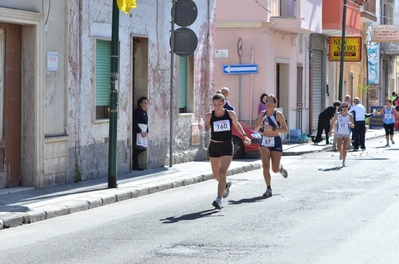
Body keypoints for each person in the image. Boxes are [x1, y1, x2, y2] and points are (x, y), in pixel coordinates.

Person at [201, 93, 250, 209]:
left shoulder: (230, 114)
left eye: (219, 104)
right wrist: (202, 127)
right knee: (217, 175)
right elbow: (207, 129)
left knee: (222, 172)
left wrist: (244, 136)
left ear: (224, 103)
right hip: (214, 146)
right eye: (214, 104)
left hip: (227, 146)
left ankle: (218, 199)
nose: (217, 106)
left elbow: (237, 125)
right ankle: (226, 185)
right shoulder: (209, 116)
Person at [254, 94, 288, 198]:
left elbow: (285, 129)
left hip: (275, 141)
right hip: (265, 141)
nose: (268, 103)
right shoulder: (262, 114)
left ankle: (280, 169)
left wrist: (273, 129)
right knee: (265, 166)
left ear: (275, 104)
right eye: (266, 101)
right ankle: (268, 188)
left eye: (270, 101)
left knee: (274, 168)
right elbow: (255, 129)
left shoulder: (278, 115)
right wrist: (259, 126)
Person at [328, 101, 354, 167]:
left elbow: (353, 125)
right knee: (338, 148)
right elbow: (333, 122)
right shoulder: (338, 114)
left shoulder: (349, 115)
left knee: (344, 148)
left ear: (348, 107)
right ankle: (342, 153)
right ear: (341, 107)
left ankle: (344, 161)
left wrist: (351, 124)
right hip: (339, 132)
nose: (344, 108)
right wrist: (330, 130)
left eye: (346, 106)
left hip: (347, 133)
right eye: (343, 106)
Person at [133, 97, 149, 170]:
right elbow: (135, 123)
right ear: (140, 104)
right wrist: (140, 131)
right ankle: (135, 164)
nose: (146, 105)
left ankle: (133, 158)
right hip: (138, 133)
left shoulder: (144, 113)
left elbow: (146, 124)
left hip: (143, 132)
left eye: (147, 103)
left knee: (143, 148)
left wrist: (146, 131)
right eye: (144, 103)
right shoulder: (137, 112)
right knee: (138, 149)